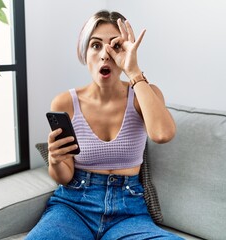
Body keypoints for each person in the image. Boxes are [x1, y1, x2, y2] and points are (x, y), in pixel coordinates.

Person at [26, 10, 182, 240]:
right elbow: (64, 176)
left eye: (115, 46)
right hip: (73, 207)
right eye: (96, 45)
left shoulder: (143, 94)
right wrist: (56, 160)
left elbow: (162, 134)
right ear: (84, 52)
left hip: (128, 213)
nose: (104, 55)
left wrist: (133, 71)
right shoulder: (65, 102)